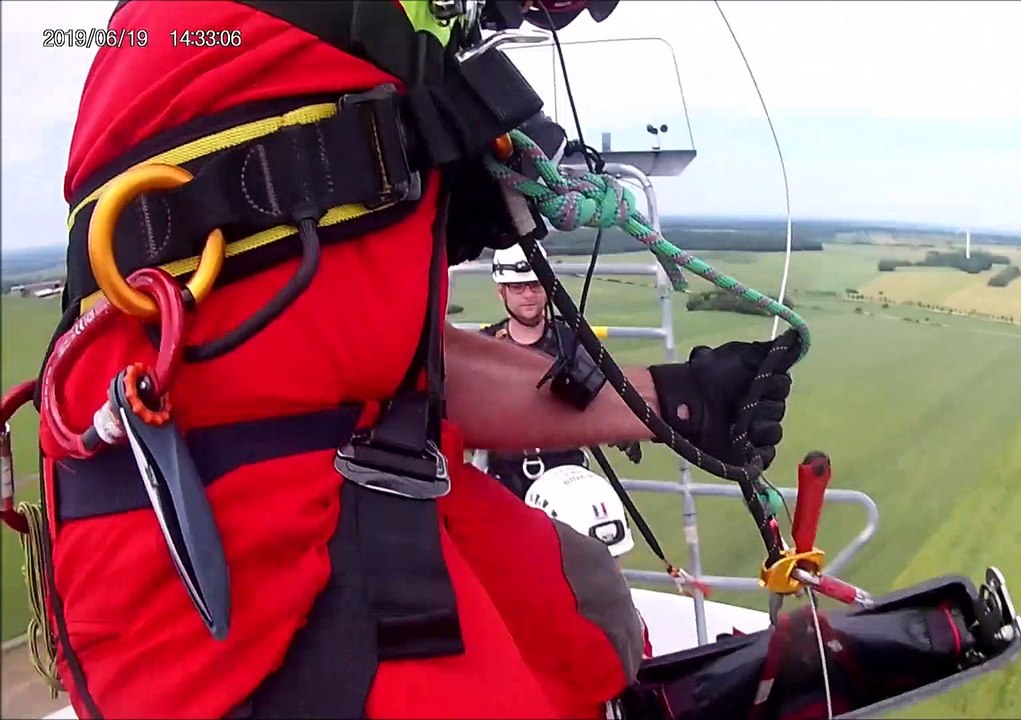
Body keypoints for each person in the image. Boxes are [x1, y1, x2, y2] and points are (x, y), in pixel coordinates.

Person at [38, 2, 801, 719]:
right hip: (227, 603)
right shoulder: (266, 52)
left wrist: (672, 402)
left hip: (340, 486)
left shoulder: (318, 75)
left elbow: (395, 366)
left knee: (591, 609)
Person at [479, 242, 644, 498]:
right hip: (505, 479)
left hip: (567, 474)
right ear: (502, 292)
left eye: (535, 284)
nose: (528, 294)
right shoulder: (485, 349)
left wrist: (619, 427)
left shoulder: (572, 343)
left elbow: (602, 395)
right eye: (517, 286)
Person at [523, 465, 653, 659]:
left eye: (613, 560)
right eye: (593, 565)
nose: (608, 577)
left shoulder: (630, 624)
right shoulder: (530, 631)